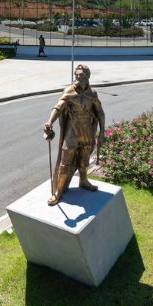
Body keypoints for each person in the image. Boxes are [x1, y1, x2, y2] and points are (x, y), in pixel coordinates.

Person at [42, 64, 105, 206]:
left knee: (84, 160)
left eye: (81, 75)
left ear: (87, 77)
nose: (78, 77)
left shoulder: (92, 94)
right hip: (72, 132)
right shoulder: (69, 91)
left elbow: (100, 113)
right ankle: (58, 190)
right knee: (65, 162)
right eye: (76, 75)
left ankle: (83, 181)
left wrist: (102, 132)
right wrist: (49, 122)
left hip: (87, 131)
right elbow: (58, 107)